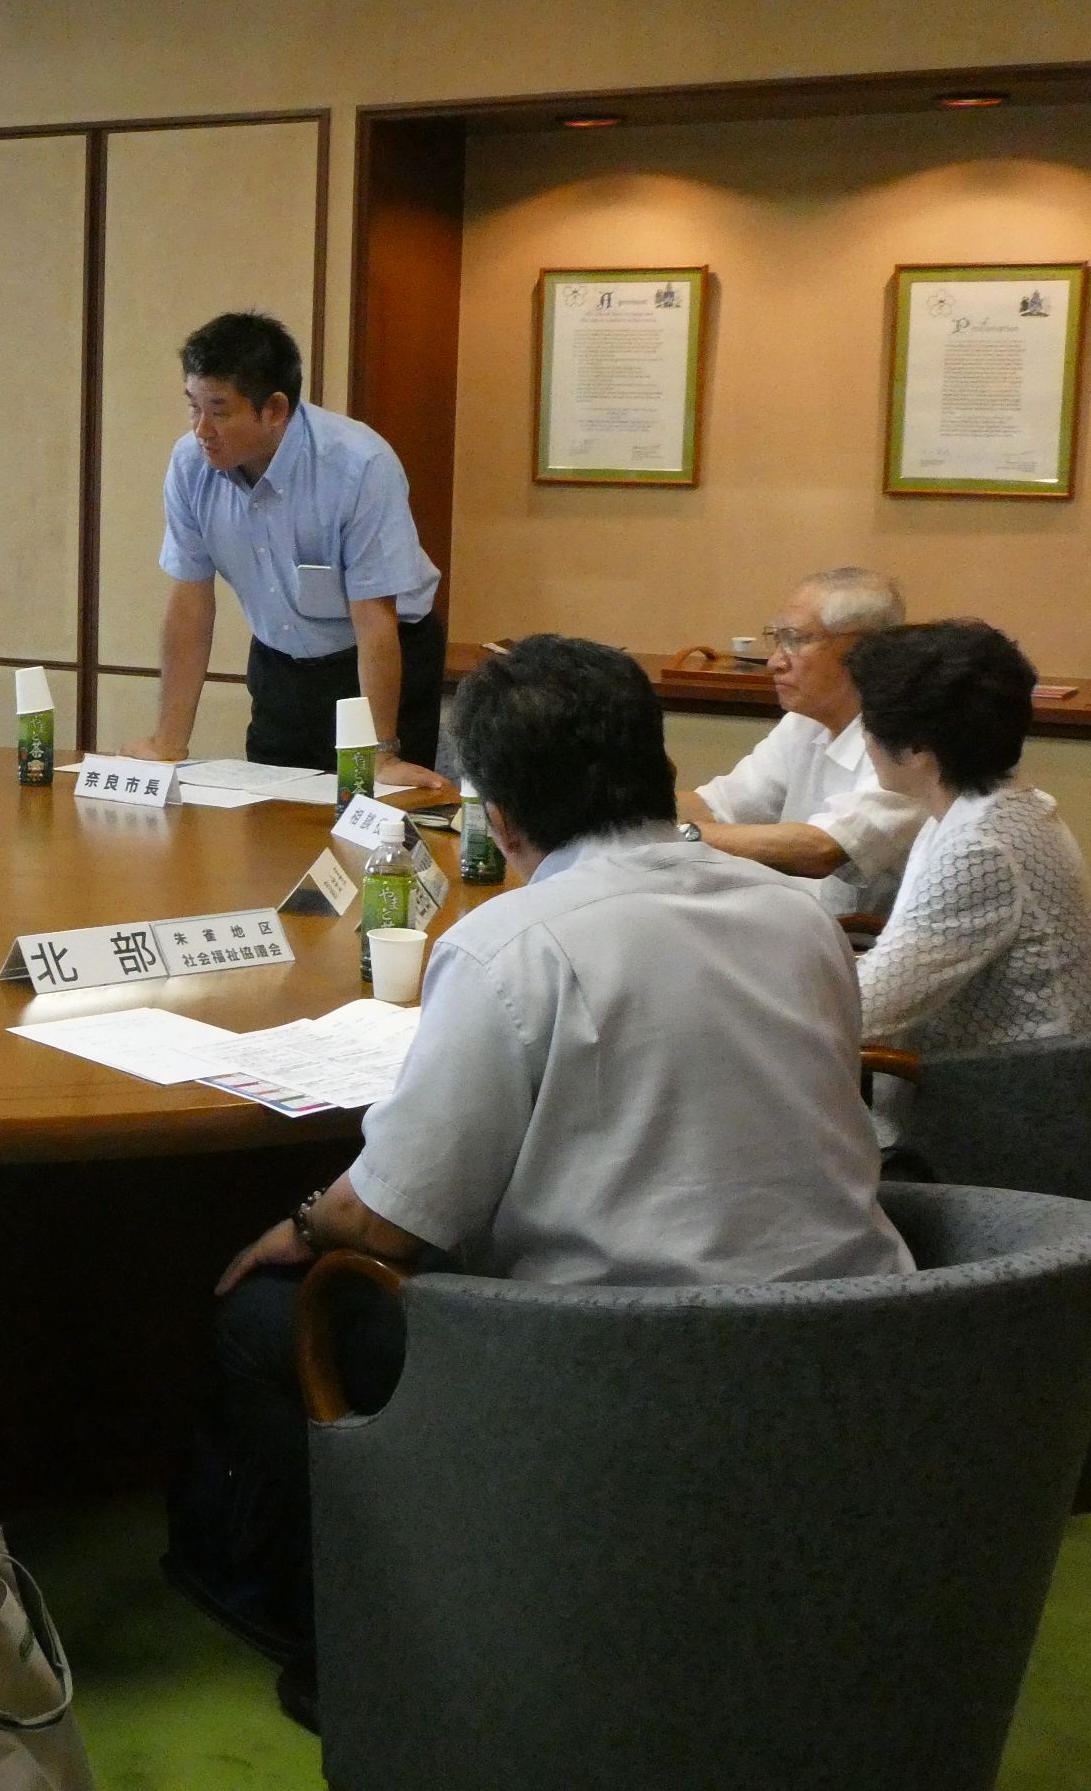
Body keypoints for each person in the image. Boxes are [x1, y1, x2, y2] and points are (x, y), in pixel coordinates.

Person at [170, 635, 908, 1730]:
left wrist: (295, 1223)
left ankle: (376, 1641)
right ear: (653, 767)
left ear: (498, 815)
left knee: (267, 1315)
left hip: (609, 1372)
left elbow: (388, 1222)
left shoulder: (513, 945)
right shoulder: (796, 916)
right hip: (847, 1345)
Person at [123, 312, 445, 786]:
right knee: (273, 823)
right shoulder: (191, 465)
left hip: (377, 657)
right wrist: (168, 743)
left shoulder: (359, 465)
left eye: (220, 410)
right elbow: (191, 602)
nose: (202, 430)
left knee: (372, 822)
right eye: (193, 406)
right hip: (280, 665)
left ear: (274, 410)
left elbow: (376, 617)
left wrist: (383, 755)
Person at [848, 620, 1091, 1051]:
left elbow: (864, 1012)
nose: (863, 736)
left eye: (867, 720)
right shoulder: (1001, 808)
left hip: (1004, 1099)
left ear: (919, 746)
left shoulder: (981, 848)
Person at [681, 566, 922, 919]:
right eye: (777, 639)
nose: (774, 662)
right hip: (791, 927)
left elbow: (824, 848)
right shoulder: (804, 723)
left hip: (862, 949)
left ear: (864, 649)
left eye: (796, 640)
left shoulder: (913, 735)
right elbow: (716, 805)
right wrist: (616, 812)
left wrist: (682, 837)